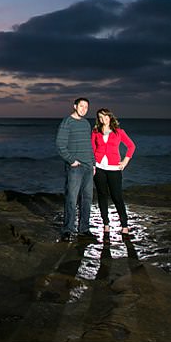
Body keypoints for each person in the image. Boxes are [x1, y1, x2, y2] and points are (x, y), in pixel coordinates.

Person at [56, 97, 95, 241]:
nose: (84, 109)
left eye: (86, 107)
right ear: (75, 106)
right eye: (81, 106)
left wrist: (93, 163)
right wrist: (72, 161)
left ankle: (84, 229)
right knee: (71, 199)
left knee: (87, 199)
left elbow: (89, 146)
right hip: (75, 168)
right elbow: (60, 145)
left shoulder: (86, 124)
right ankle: (67, 230)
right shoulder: (67, 122)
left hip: (88, 167)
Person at [91, 108, 135, 235]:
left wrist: (125, 162)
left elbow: (131, 146)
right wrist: (93, 165)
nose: (103, 119)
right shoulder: (95, 132)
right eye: (100, 117)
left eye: (105, 116)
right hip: (99, 168)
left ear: (109, 117)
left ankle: (124, 225)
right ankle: (106, 224)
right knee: (102, 196)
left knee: (117, 197)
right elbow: (92, 149)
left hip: (114, 169)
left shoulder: (119, 132)